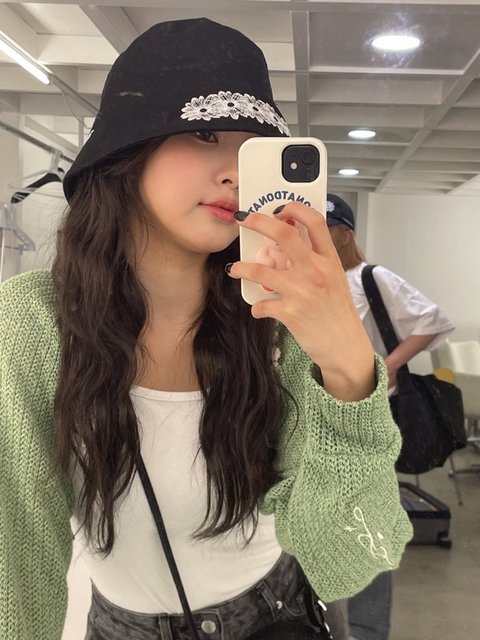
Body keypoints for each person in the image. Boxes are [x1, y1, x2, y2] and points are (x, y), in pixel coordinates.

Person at [0, 20, 412, 640]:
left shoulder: (278, 321)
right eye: (205, 132)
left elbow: (349, 559)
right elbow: (17, 553)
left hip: (276, 618)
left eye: (255, 147)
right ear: (127, 150)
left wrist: (350, 373)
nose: (235, 173)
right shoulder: (33, 323)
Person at [326, 193, 454, 640]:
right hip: (313, 414)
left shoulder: (370, 278)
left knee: (369, 523)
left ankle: (367, 631)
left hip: (369, 413)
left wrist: (391, 363)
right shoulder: (305, 282)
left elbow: (432, 321)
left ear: (346, 234)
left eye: (326, 229)